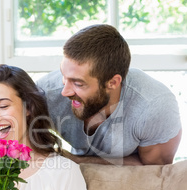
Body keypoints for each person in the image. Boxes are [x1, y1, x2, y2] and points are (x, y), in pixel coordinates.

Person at [36, 24, 182, 166]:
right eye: (63, 75)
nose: (65, 91)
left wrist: (79, 162)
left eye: (78, 84)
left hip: (131, 181)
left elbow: (154, 170)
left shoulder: (155, 106)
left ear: (112, 82)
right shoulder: (44, 93)